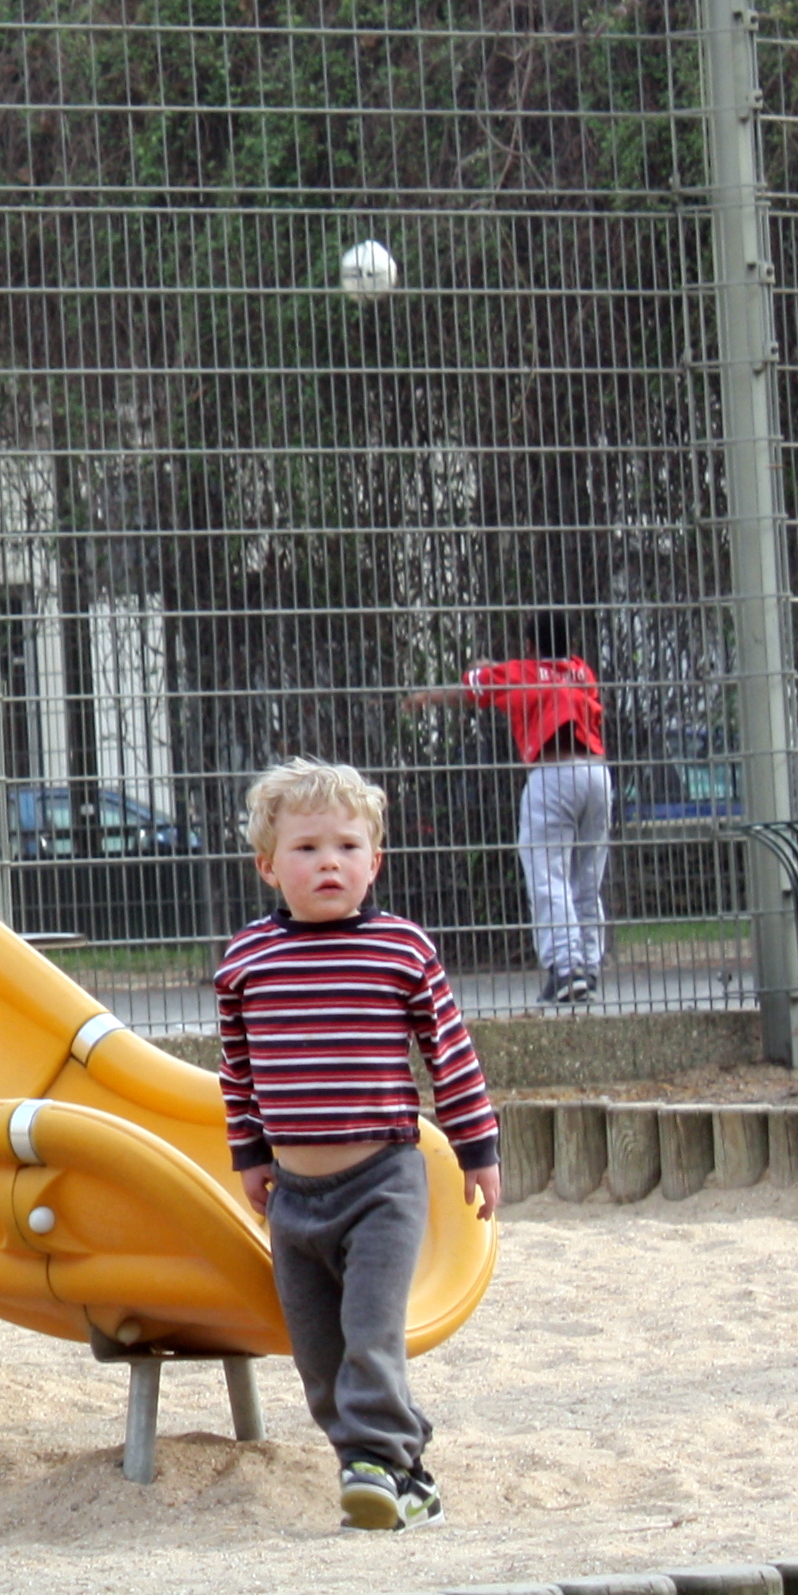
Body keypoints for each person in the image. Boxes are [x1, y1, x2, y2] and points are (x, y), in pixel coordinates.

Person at [215, 757, 501, 1534]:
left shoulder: (399, 950)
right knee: (318, 1359)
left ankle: (369, 1466)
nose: (328, 863)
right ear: (268, 866)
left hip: (382, 1182)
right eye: (306, 849)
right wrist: (251, 1157)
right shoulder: (247, 961)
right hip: (294, 1198)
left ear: (374, 862)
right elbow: (237, 1073)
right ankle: (402, 1477)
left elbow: (450, 1055)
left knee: (370, 1336)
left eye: (346, 847)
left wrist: (477, 1149)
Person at [402, 619, 609, 1005]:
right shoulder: (582, 672)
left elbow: (470, 688)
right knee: (586, 876)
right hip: (598, 775)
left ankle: (566, 969)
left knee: (548, 873)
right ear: (571, 643)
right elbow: (545, 675)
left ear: (528, 645)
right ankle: (589, 964)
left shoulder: (516, 673)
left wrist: (427, 695)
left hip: (553, 773)